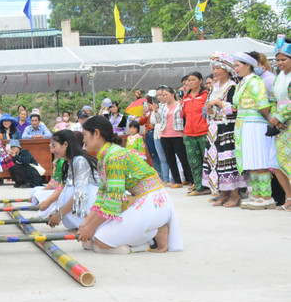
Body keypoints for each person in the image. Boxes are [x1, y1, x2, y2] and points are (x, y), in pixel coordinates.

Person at [77, 116, 182, 254]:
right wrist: (85, 225)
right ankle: (149, 234)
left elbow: (113, 201)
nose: (83, 140)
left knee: (101, 242)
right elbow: (103, 197)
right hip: (144, 201)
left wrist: (90, 228)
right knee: (89, 241)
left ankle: (154, 234)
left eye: (85, 135)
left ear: (96, 134)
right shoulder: (105, 156)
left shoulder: (114, 156)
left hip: (152, 203)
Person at [233, 51, 290, 209]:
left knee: (260, 161)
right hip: (244, 124)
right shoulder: (243, 82)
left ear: (247, 65)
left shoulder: (256, 81)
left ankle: (266, 197)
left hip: (255, 124)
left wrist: (272, 119)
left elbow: (264, 105)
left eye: (238, 65)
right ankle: (257, 195)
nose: (235, 68)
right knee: (251, 161)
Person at [34, 130, 99, 230]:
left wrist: (59, 213)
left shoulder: (80, 161)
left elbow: (80, 193)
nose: (52, 150)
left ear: (65, 144)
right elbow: (64, 188)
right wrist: (56, 210)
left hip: (93, 201)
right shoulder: (68, 162)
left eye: (54, 146)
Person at [204, 52, 245, 208]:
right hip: (215, 128)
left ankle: (235, 195)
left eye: (218, 69)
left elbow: (235, 108)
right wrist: (210, 110)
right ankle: (223, 193)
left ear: (227, 69)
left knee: (228, 161)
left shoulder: (232, 87)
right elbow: (212, 110)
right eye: (214, 69)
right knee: (216, 163)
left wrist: (219, 103)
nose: (215, 72)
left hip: (227, 128)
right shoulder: (214, 88)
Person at [269, 36, 291, 211]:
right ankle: (288, 197)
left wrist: (281, 117)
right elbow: (273, 100)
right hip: (280, 126)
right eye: (277, 60)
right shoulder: (278, 78)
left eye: (283, 59)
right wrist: (275, 117)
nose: (279, 63)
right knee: (276, 163)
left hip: (287, 121)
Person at [156, 85, 191, 188]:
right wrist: (155, 112)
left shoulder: (180, 105)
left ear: (172, 94)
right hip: (164, 135)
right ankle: (177, 180)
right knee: (170, 159)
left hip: (177, 134)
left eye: (166, 94)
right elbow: (159, 120)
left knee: (183, 158)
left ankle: (189, 179)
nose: (164, 97)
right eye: (163, 95)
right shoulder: (162, 106)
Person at [181, 71, 210, 196]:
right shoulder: (186, 98)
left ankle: (210, 186)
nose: (190, 82)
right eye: (189, 80)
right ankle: (198, 186)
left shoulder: (206, 95)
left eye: (193, 80)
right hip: (189, 133)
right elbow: (184, 115)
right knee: (194, 162)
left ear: (200, 81)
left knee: (208, 161)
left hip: (204, 132)